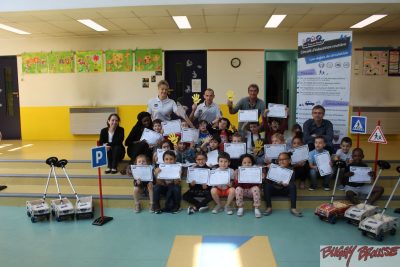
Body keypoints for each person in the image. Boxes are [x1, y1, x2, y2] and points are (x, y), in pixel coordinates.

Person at [263, 152, 302, 217]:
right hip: (275, 190)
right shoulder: (274, 168)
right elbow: (268, 180)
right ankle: (269, 207)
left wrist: (286, 184)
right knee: (266, 186)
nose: (282, 161)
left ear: (289, 161)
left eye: (284, 159)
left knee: (292, 186)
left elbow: (291, 181)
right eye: (280, 160)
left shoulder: (291, 169)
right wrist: (269, 170)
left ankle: (293, 208)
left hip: (285, 190)